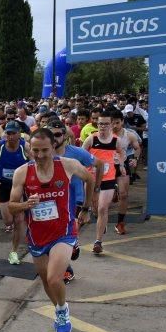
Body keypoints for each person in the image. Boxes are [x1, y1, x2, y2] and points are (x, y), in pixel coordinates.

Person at [8, 129, 95, 332]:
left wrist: (85, 208)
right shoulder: (22, 172)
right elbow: (11, 206)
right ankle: (57, 308)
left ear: (53, 147)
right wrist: (25, 205)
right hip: (37, 235)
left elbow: (89, 179)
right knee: (46, 280)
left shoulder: (67, 165)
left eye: (44, 150)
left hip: (63, 231)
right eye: (35, 150)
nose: (39, 155)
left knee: (55, 278)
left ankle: (63, 310)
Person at [42, 120, 101, 283]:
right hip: (51, 202)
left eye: (57, 135)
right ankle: (71, 249)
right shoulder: (43, 154)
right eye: (50, 135)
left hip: (74, 201)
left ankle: (66, 268)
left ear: (65, 135)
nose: (54, 138)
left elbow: (99, 164)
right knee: (52, 236)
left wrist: (94, 194)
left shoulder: (76, 153)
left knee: (62, 235)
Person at [0, 121, 31, 264]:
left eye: (13, 133)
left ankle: (14, 251)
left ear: (19, 134)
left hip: (20, 186)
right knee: (8, 220)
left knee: (18, 220)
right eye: (8, 133)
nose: (10, 136)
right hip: (3, 185)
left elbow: (35, 164)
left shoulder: (26, 147)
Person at [83, 110, 125, 255]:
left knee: (102, 208)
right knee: (94, 208)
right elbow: (82, 154)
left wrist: (121, 164)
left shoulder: (116, 141)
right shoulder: (91, 139)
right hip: (91, 179)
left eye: (106, 124)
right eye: (100, 124)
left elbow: (121, 152)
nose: (102, 127)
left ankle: (98, 242)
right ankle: (103, 223)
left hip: (108, 179)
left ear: (112, 125)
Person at [111, 109, 141, 235]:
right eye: (112, 123)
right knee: (102, 201)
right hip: (107, 167)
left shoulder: (129, 135)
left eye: (117, 123)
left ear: (122, 122)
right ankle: (113, 190)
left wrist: (135, 158)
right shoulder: (102, 134)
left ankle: (120, 223)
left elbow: (137, 147)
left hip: (122, 166)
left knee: (124, 195)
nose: (114, 126)